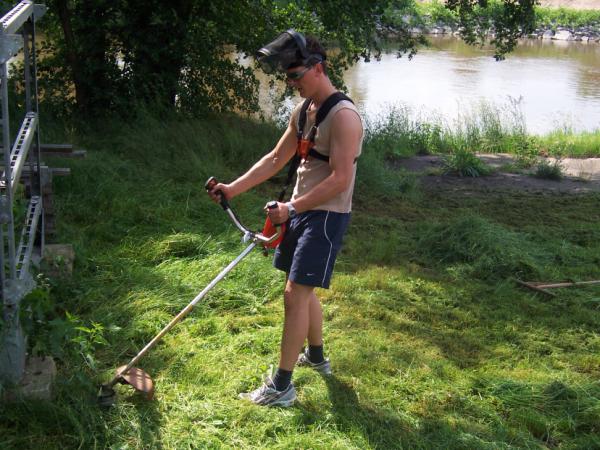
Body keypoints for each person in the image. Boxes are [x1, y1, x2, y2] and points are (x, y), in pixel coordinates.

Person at [207, 30, 363, 407]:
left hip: (325, 216)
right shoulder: (305, 111)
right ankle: (316, 356)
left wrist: (291, 209)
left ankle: (282, 386)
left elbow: (340, 180)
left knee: (295, 293)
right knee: (301, 288)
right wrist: (232, 188)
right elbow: (277, 159)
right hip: (301, 210)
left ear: (318, 68)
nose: (291, 82)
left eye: (296, 75)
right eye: (288, 76)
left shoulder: (344, 117)